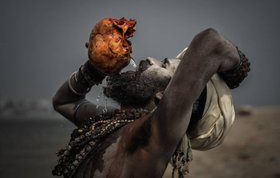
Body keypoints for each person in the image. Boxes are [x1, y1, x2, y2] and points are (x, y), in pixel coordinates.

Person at [52, 28, 250, 178]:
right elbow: (65, 102)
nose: (148, 59)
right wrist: (93, 68)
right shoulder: (110, 125)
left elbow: (212, 43)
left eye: (163, 65)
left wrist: (236, 72)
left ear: (165, 97)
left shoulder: (154, 134)